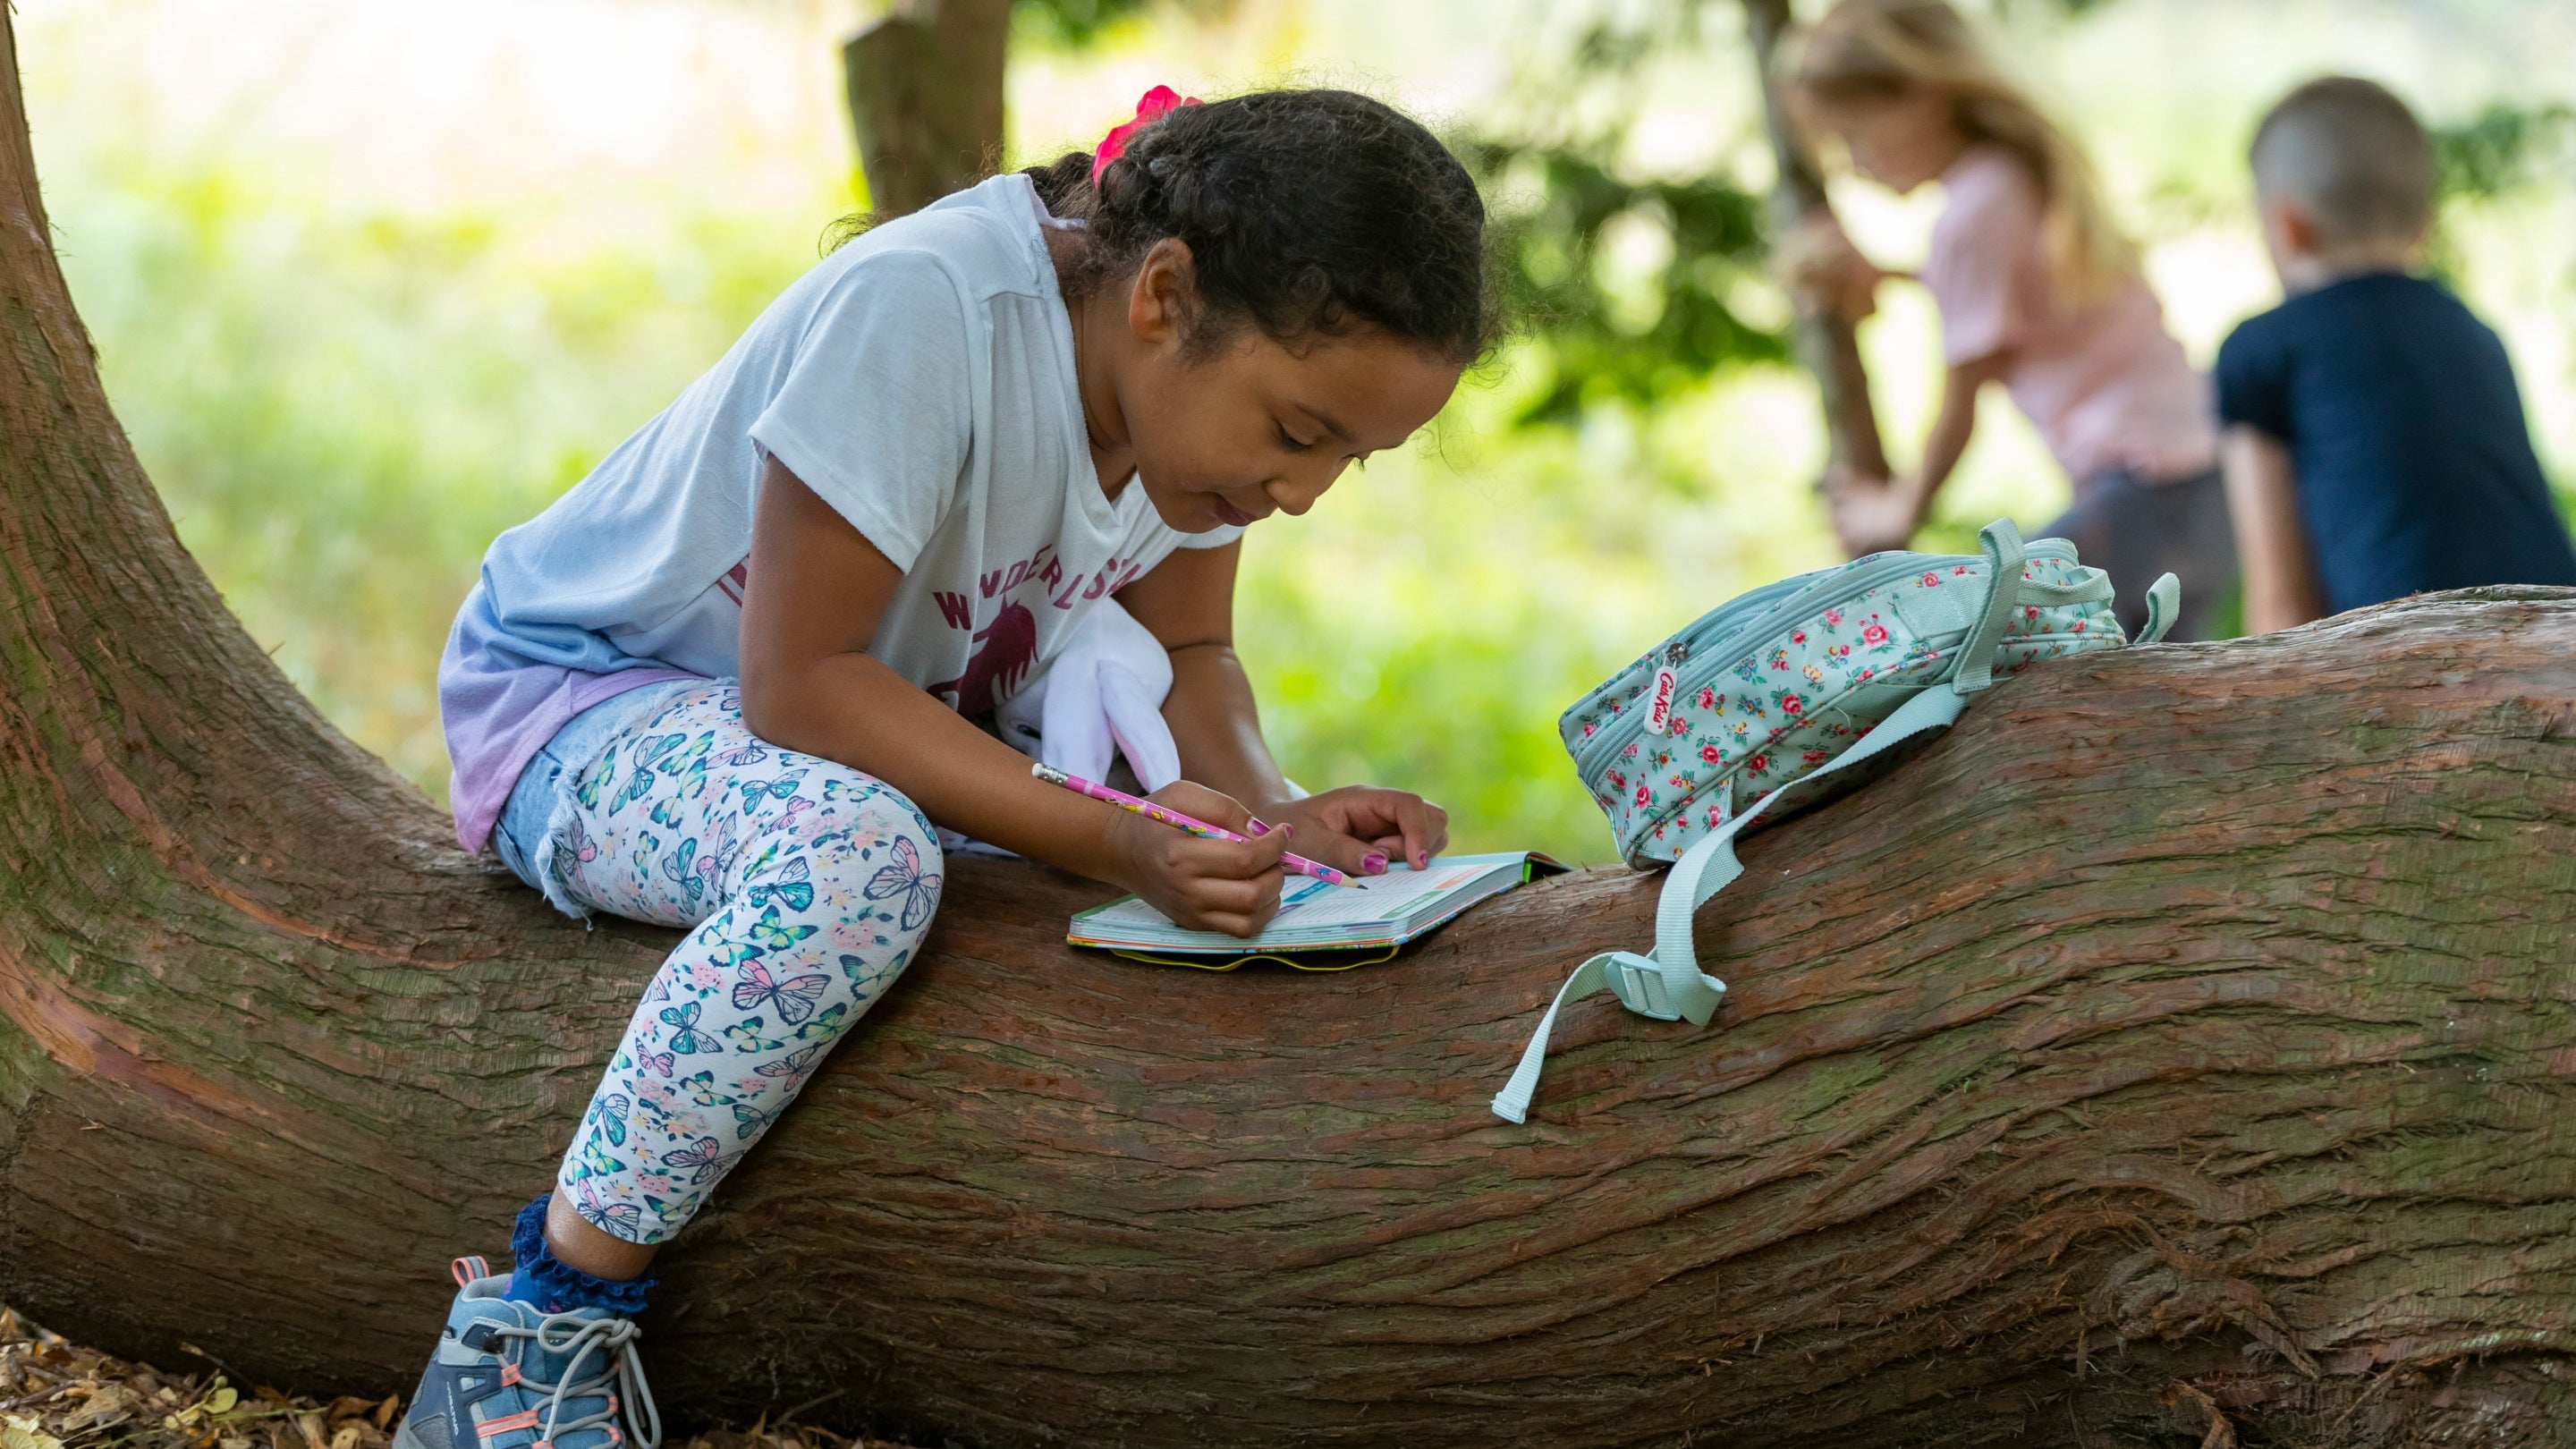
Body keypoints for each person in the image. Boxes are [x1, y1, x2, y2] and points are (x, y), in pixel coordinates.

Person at [402, 87, 1484, 1449]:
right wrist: (1116, 837)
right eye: (1298, 433)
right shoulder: (928, 311)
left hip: (871, 734)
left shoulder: (1185, 429)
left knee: (1016, 877)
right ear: (1164, 297)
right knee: (858, 863)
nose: (1308, 491)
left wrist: (1272, 814)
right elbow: (801, 685)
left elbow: (1192, 649)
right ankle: (535, 1330)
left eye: (1353, 456)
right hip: (595, 704)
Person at [1783, 0, 2233, 640]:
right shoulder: (2010, 178)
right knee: (2147, 684)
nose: (1855, 162)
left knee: (1969, 633)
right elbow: (2004, 300)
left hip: (2141, 490)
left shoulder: (1969, 215)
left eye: (1855, 135)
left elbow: (1960, 401)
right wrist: (1883, 277)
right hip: (2203, 484)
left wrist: (1898, 508)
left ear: (1923, 95)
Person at [2216, 76, 2576, 631]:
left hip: (2412, 666)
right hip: (2556, 638)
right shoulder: (2476, 333)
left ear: (2287, 226)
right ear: (2423, 226)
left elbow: (2280, 604)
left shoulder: (2261, 351)